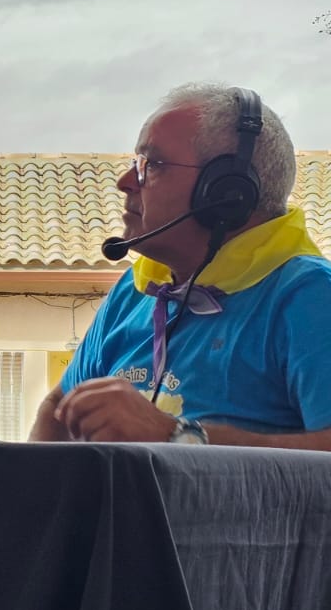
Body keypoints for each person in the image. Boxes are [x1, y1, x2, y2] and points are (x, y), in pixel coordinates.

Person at [31, 83, 331, 449]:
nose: (125, 182)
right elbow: (57, 409)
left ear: (225, 193)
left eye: (151, 164)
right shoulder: (134, 291)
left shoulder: (312, 297)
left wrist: (177, 437)